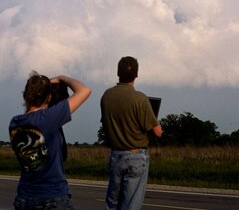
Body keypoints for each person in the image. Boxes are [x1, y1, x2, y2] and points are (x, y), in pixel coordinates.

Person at [9, 73, 92, 210]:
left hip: (24, 196)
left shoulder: (15, 123)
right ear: (48, 97)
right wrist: (62, 78)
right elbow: (85, 91)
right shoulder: (48, 118)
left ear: (26, 95)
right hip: (51, 196)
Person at [100, 56, 163, 210]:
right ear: (136, 74)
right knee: (131, 205)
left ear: (118, 72)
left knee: (112, 203)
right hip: (136, 156)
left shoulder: (106, 96)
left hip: (116, 155)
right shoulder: (140, 99)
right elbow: (157, 132)